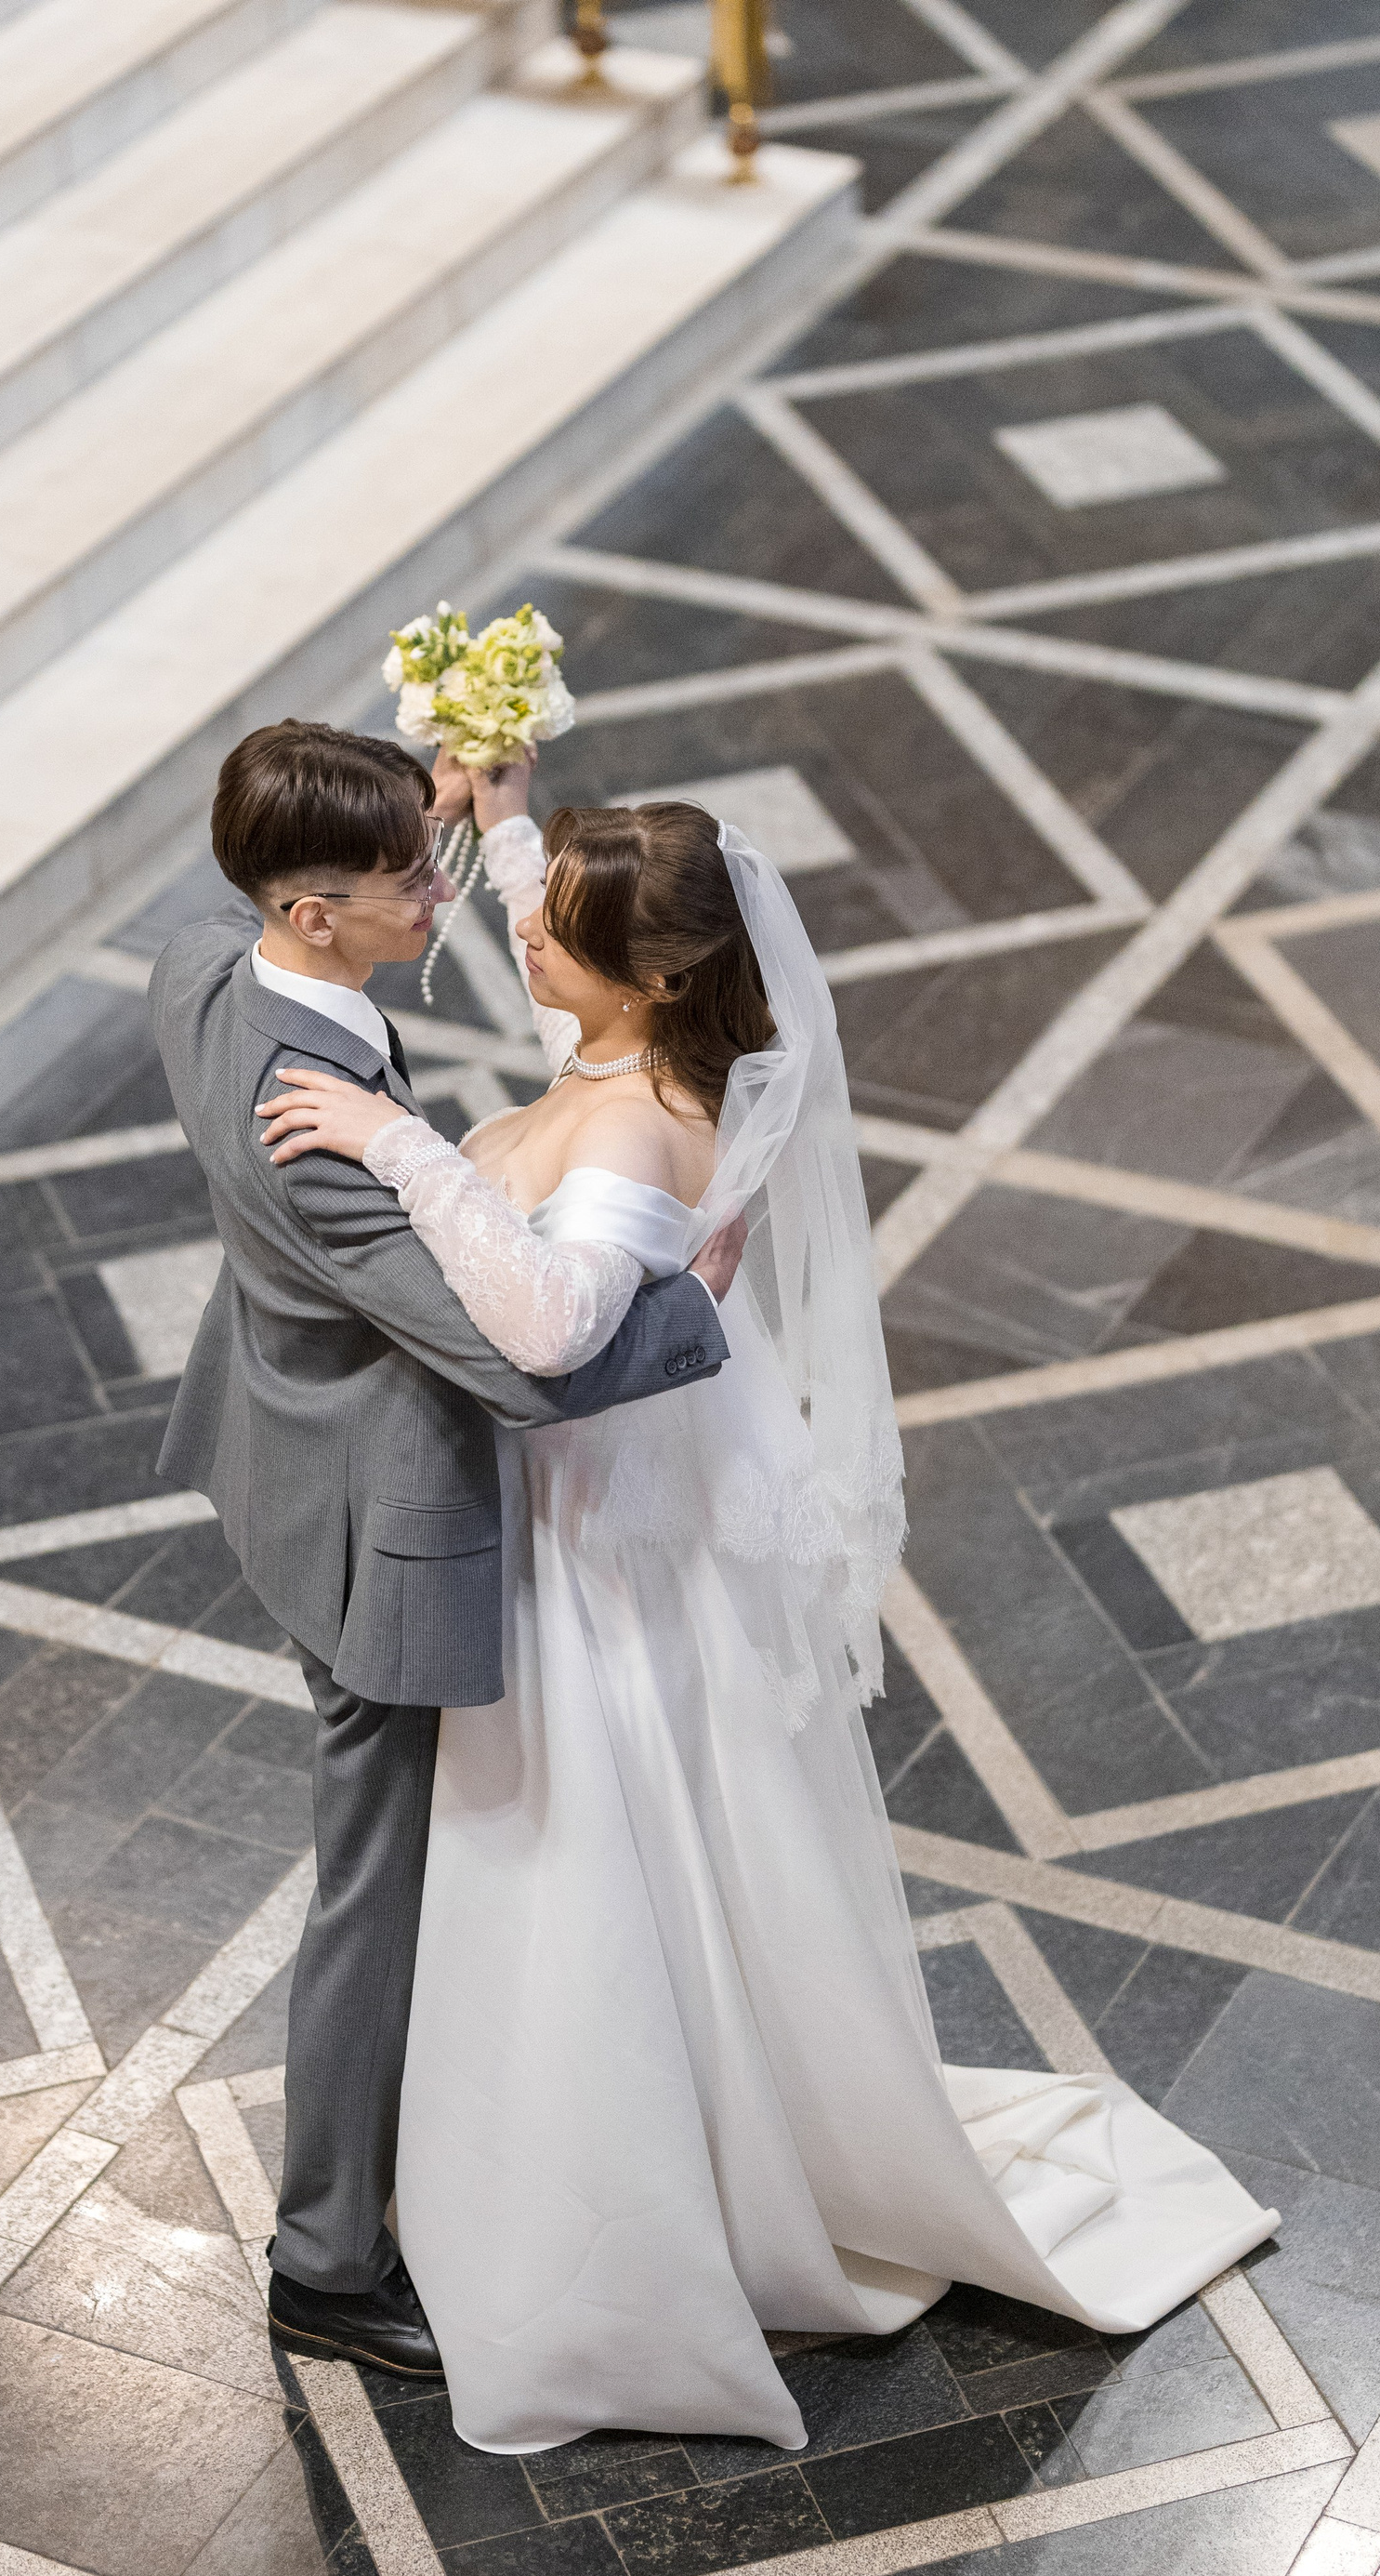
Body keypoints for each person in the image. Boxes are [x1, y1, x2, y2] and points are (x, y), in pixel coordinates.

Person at [256, 748, 1281, 2455]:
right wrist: (503, 820)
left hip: (592, 1547)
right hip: (596, 1512)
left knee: (584, 1849)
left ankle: (612, 2206)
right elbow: (565, 967)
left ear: (653, 977)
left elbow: (552, 1324)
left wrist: (398, 1145)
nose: (523, 940)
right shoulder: (639, 1049)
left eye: (554, 930)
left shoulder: (638, 1124)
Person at [149, 721, 749, 2382]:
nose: (447, 887)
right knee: (375, 1887)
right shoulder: (316, 1143)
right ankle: (325, 2259)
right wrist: (697, 1308)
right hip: (373, 1529)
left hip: (277, 1445)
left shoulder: (208, 970)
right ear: (315, 912)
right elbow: (528, 1368)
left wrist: (452, 798)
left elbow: (345, 865)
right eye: (412, 875)